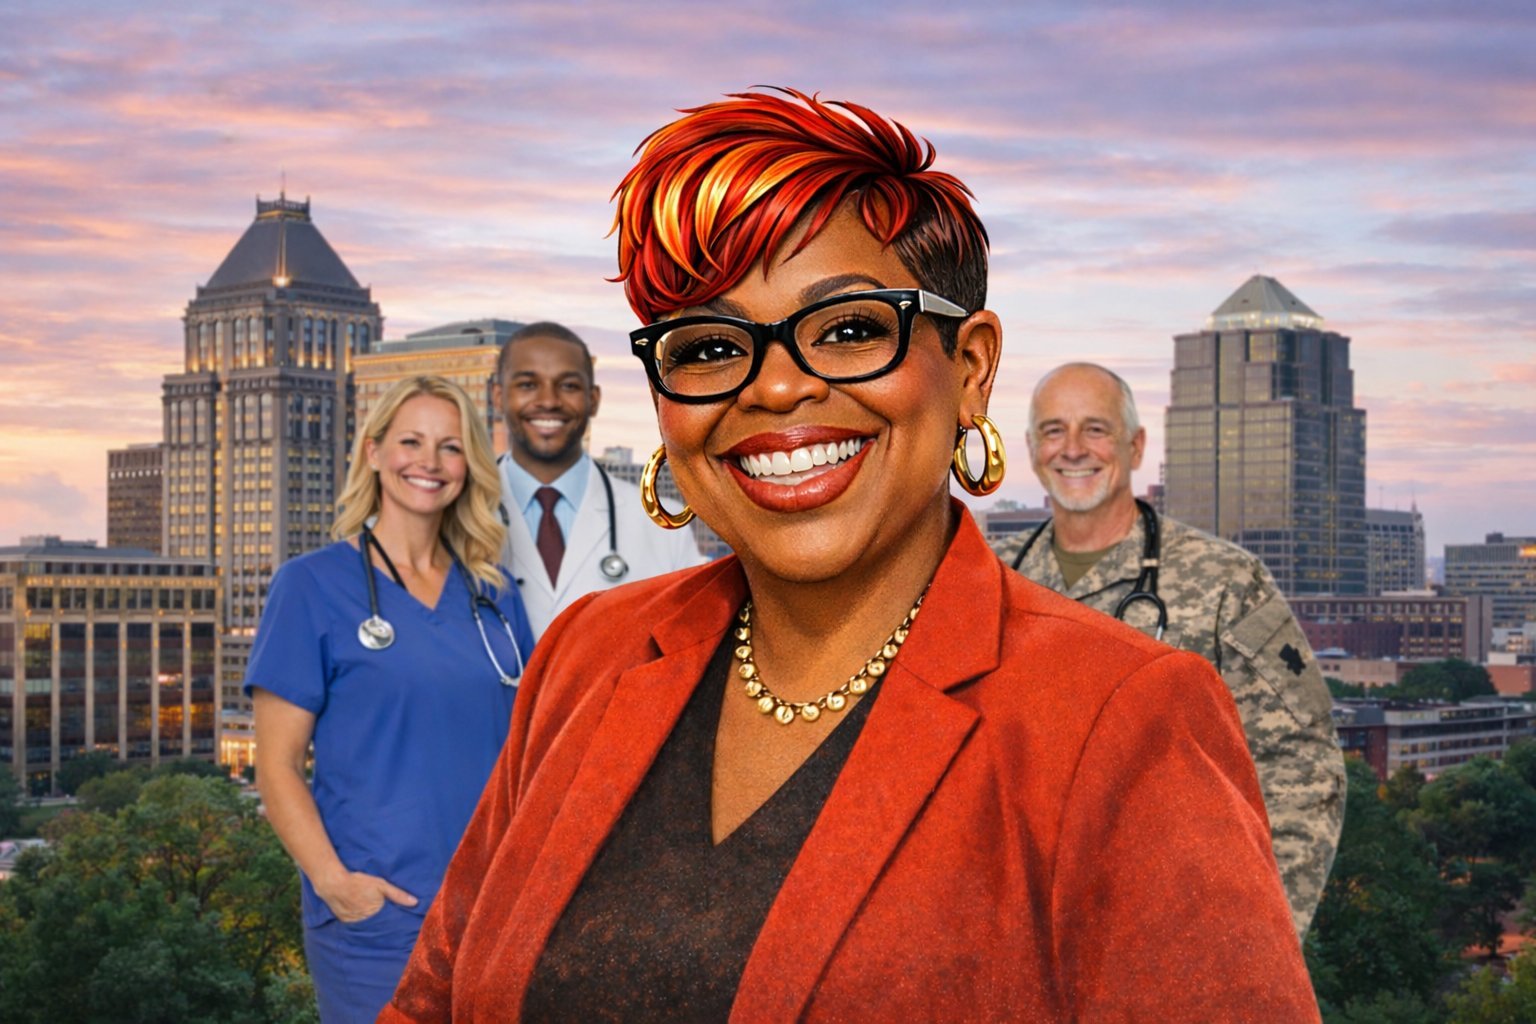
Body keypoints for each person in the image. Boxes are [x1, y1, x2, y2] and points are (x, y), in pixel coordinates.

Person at [383, 88, 1319, 1022]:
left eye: (850, 329)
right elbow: (433, 1002)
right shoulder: (590, 654)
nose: (779, 385)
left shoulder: (1123, 720)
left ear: (971, 369)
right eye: (711, 345)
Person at [993, 361, 1347, 938]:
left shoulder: (1229, 580)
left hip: (1164, 928)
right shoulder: (988, 576)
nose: (1074, 449)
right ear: (1032, 451)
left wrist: (1253, 943)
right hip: (1013, 934)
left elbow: (1304, 765)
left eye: (1097, 429)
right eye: (1054, 431)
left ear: (1135, 447)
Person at [249, 375, 535, 1023]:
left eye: (451, 447)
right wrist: (334, 884)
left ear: (471, 467)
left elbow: (532, 753)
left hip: (495, 908)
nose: (429, 463)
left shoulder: (495, 595)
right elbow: (277, 766)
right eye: (410, 441)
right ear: (373, 451)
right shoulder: (310, 587)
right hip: (379, 915)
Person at [494, 320, 706, 638]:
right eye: (527, 385)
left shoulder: (662, 530)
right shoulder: (453, 514)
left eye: (568, 386)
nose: (549, 400)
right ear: (498, 397)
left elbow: (693, 646)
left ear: (594, 399)